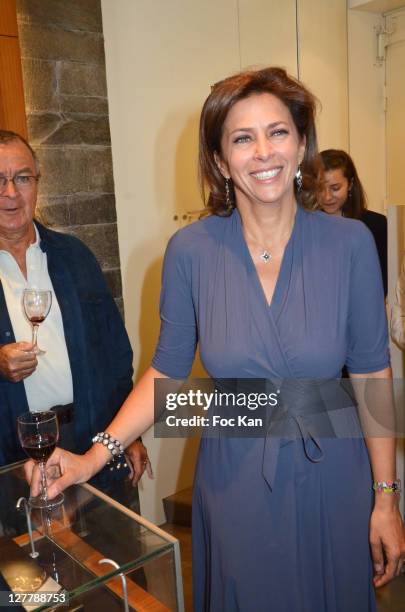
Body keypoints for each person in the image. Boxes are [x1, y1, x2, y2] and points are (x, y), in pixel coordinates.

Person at [27, 68, 405, 611]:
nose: (263, 152)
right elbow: (167, 371)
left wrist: (386, 498)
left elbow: (372, 372)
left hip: (333, 477)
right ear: (221, 160)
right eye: (242, 138)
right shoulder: (191, 251)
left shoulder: (350, 245)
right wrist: (91, 458)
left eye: (278, 132)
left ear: (301, 144)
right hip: (235, 481)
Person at [0, 130, 151, 507]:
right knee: (32, 563)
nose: (11, 193)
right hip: (13, 457)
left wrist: (127, 433)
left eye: (22, 178)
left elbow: (115, 355)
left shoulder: (75, 256)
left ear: (38, 182)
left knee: (117, 558)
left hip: (91, 441)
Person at [320, 148, 388, 296]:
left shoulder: (375, 225)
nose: (327, 197)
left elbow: (381, 287)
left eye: (335, 188)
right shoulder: (306, 226)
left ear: (350, 184)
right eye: (319, 188)